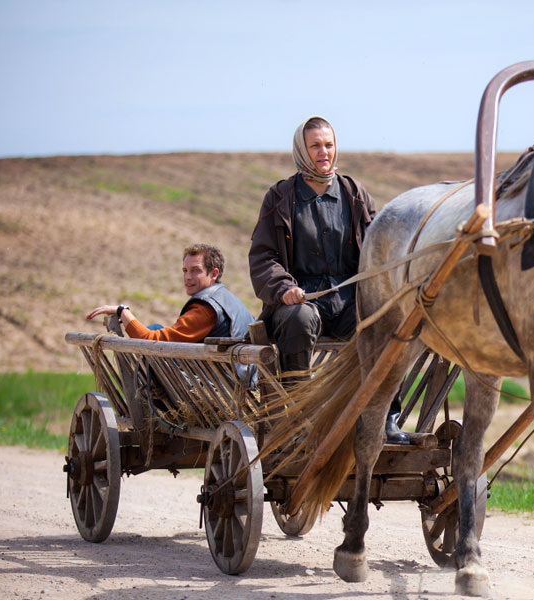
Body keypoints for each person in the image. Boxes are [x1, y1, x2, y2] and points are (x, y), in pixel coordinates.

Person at [248, 116, 409, 444]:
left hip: (349, 298)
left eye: (328, 144)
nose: (324, 152)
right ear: (301, 150)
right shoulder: (280, 197)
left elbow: (379, 246)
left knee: (386, 323)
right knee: (299, 319)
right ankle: (297, 417)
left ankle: (385, 418)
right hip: (300, 298)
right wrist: (284, 288)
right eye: (315, 146)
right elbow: (264, 257)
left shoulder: (354, 193)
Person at [86, 243, 257, 382]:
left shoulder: (206, 310)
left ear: (214, 274)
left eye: (195, 270)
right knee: (156, 328)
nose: (188, 277)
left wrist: (122, 311)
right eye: (185, 270)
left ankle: (146, 403)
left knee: (153, 333)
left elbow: (148, 342)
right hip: (232, 377)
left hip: (220, 385)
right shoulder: (228, 299)